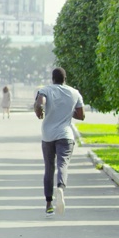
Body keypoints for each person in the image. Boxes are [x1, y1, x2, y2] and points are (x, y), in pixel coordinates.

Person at [34, 68, 85, 216]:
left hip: (48, 136)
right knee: (63, 164)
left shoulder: (45, 90)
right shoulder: (74, 93)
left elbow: (40, 103)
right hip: (66, 135)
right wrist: (68, 112)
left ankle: (49, 204)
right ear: (65, 78)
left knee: (49, 168)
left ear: (52, 78)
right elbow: (81, 115)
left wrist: (39, 110)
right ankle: (61, 188)